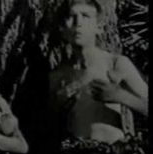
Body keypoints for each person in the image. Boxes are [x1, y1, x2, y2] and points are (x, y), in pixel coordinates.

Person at [48, 0, 148, 144]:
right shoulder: (57, 76)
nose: (78, 23)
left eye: (86, 16)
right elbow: (45, 128)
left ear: (99, 27)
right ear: (62, 29)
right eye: (71, 17)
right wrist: (58, 104)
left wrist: (120, 96)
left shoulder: (114, 64)